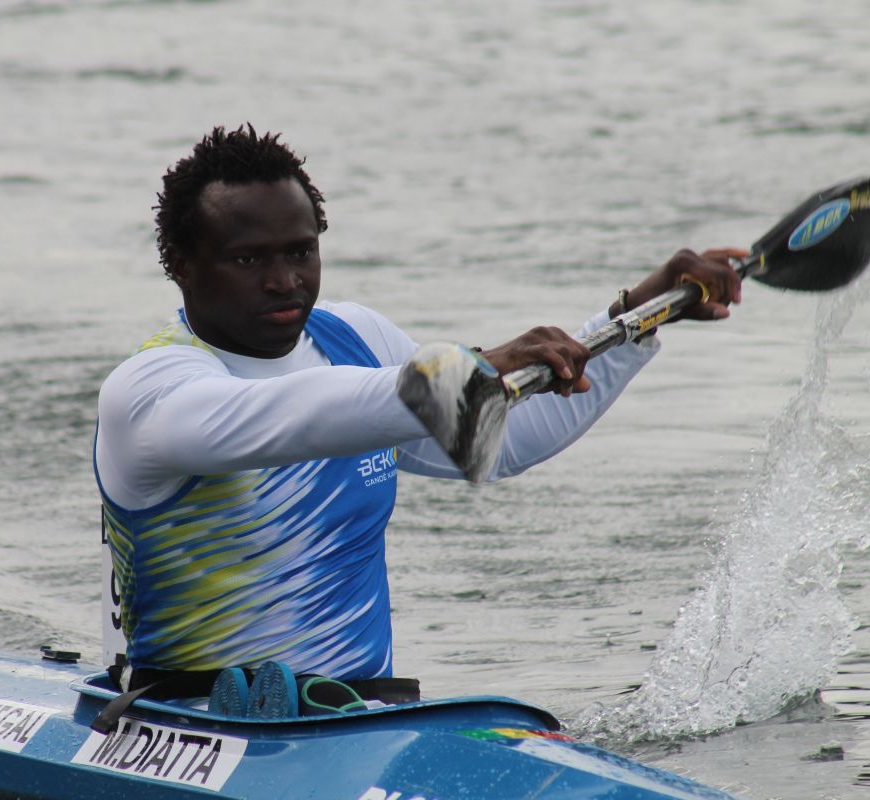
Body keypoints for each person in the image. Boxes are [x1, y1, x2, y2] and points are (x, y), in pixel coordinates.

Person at [93, 124, 743, 701]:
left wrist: (634, 316)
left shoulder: (355, 340)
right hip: (190, 721)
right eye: (248, 259)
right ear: (180, 264)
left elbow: (508, 440)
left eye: (300, 252)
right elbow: (298, 414)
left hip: (362, 716)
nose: (284, 280)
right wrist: (478, 363)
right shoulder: (150, 392)